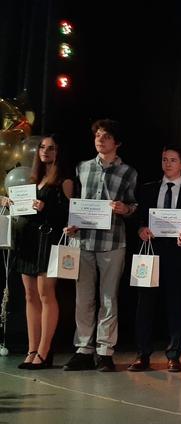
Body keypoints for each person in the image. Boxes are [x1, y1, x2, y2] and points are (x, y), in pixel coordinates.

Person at [63, 119, 137, 372]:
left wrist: (126, 209)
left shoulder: (128, 172)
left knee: (108, 298)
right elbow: (77, 203)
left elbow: (134, 204)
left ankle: (105, 351)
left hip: (112, 241)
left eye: (106, 136)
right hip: (84, 240)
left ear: (117, 142)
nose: (100, 140)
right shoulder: (82, 167)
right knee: (83, 297)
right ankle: (84, 349)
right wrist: (72, 224)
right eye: (97, 135)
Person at [127, 147, 181, 372]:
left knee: (176, 305)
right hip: (151, 253)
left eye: (173, 160)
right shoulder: (147, 189)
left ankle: (173, 354)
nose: (168, 164)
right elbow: (138, 219)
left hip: (178, 255)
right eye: (164, 160)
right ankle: (142, 354)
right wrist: (141, 229)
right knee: (145, 305)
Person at [7, 134, 72, 370]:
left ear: (58, 152)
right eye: (42, 147)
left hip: (48, 241)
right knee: (29, 296)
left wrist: (47, 208)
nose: (45, 151)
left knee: (46, 295)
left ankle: (45, 352)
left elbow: (70, 215)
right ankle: (32, 350)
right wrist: (11, 204)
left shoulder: (64, 181)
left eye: (51, 148)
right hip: (27, 243)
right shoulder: (33, 180)